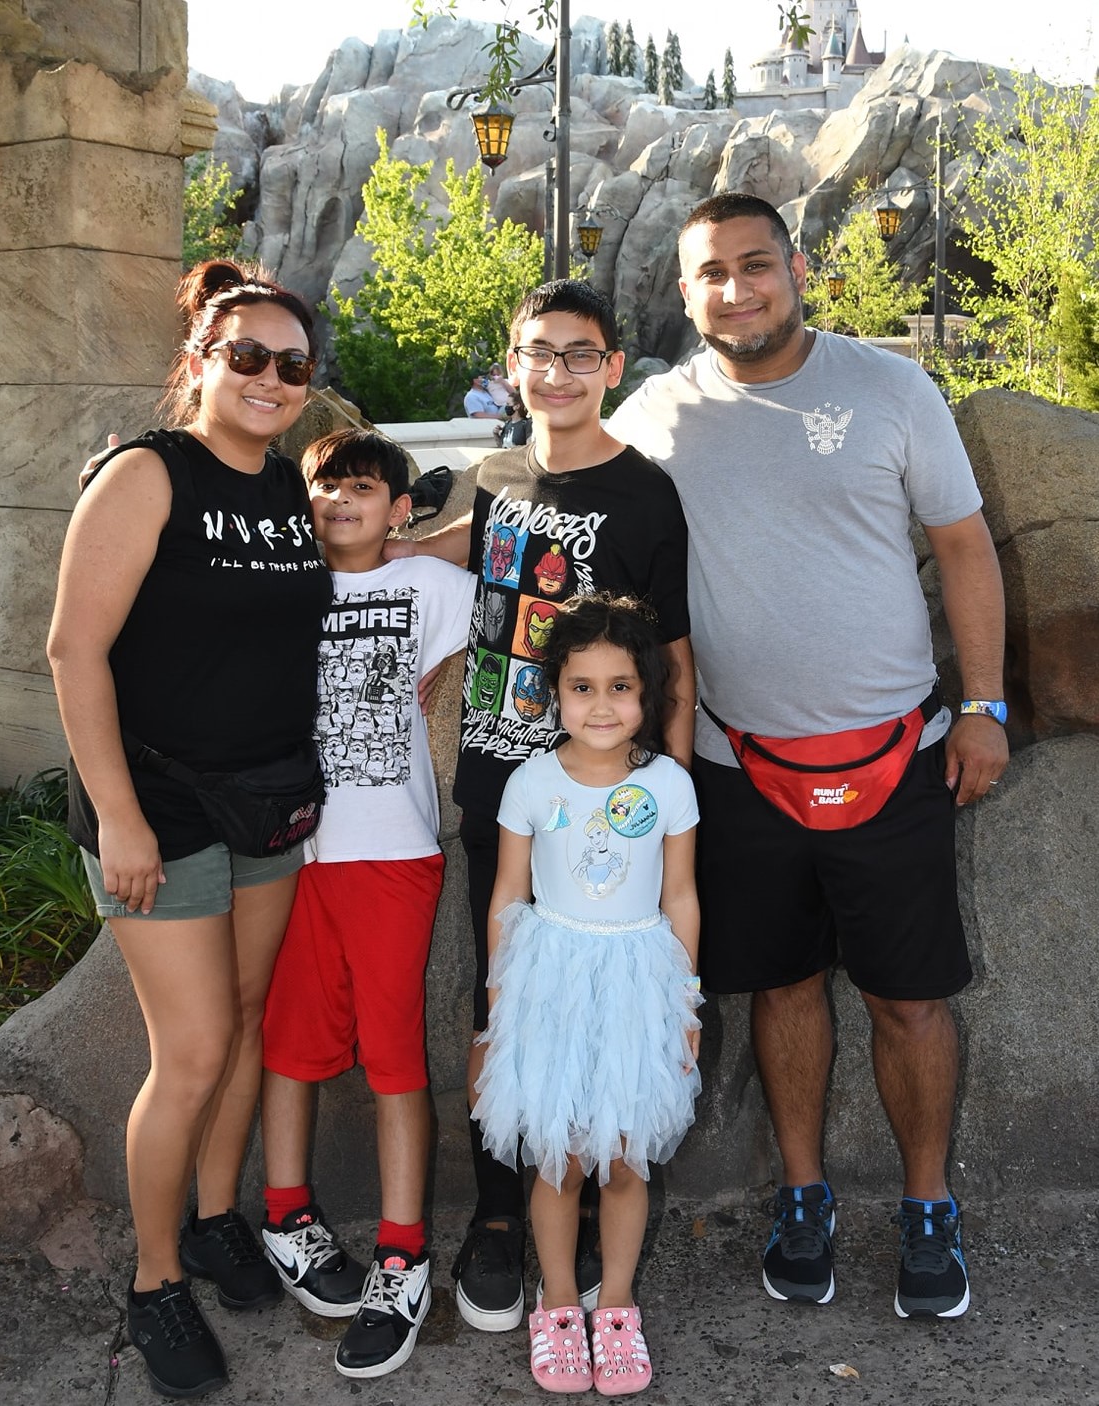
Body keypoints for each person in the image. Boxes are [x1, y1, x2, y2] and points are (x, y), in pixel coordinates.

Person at [608, 193, 1009, 1320]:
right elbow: (552, 481)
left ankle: (928, 1208)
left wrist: (983, 703)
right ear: (685, 295)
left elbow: (966, 546)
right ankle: (803, 1194)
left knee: (910, 1000)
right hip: (740, 766)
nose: (736, 290)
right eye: (711, 276)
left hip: (898, 757)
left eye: (755, 266)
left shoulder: (890, 387)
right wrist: (395, 527)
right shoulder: (659, 414)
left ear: (797, 269)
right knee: (782, 988)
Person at [47, 259, 331, 1398]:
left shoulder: (284, 488)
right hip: (153, 804)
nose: (270, 378)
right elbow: (73, 652)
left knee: (252, 1018)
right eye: (247, 356)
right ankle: (155, 1279)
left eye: (292, 363)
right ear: (199, 365)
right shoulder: (144, 473)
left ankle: (218, 1218)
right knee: (196, 1048)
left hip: (266, 794)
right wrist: (116, 814)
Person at [389, 279, 694, 1333]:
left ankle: (597, 1235)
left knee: (606, 1005)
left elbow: (674, 658)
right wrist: (374, 545)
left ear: (612, 366)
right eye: (536, 352)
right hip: (505, 784)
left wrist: (671, 796)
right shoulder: (499, 471)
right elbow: (465, 539)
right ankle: (500, 1217)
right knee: (504, 996)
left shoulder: (646, 493)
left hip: (611, 804)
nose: (555, 371)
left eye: (578, 353)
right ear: (511, 363)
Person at [257, 429, 475, 1379]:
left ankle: (400, 1255)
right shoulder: (274, 584)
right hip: (286, 855)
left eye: (360, 488)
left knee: (392, 1056)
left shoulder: (428, 588)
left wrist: (415, 541)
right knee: (289, 1043)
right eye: (322, 487)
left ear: (397, 504)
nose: (338, 500)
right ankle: (284, 1216)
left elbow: (509, 530)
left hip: (391, 852)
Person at [473, 593, 701, 1396]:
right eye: (581, 687)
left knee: (623, 1155)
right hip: (551, 983)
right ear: (553, 692)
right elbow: (507, 894)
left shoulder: (669, 784)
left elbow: (679, 897)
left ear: (647, 695)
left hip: (640, 980)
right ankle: (560, 1303)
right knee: (562, 1156)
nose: (601, 705)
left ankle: (616, 1304)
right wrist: (499, 1010)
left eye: (620, 687)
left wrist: (685, 1001)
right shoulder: (531, 783)